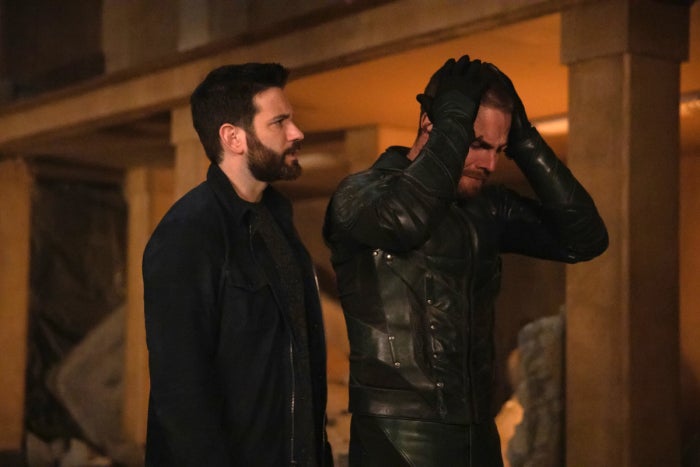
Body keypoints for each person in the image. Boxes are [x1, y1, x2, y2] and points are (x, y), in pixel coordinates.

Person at [322, 55, 608, 466]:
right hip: (397, 436)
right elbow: (402, 222)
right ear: (430, 125)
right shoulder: (360, 194)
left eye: (499, 149)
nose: (490, 164)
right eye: (476, 145)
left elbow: (586, 239)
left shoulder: (487, 207)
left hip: (479, 434)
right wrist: (453, 124)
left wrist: (526, 141)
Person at [143, 63, 333, 466]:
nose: (296, 132)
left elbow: (300, 362)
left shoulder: (278, 220)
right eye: (279, 122)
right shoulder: (187, 233)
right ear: (233, 138)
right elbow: (180, 393)